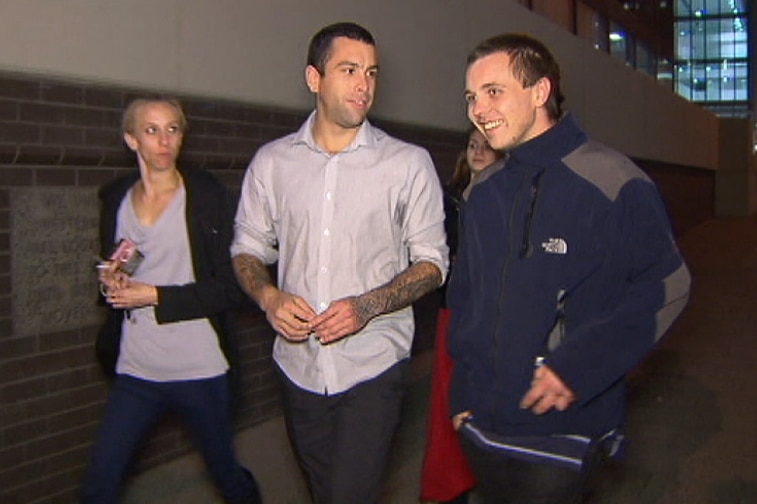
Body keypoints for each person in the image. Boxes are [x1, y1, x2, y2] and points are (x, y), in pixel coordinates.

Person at [447, 33, 691, 504]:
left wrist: (579, 365)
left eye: (493, 91)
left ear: (540, 92)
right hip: (483, 427)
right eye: (471, 97)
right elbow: (465, 304)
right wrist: (461, 399)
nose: (478, 108)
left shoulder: (612, 182)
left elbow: (668, 282)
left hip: (565, 427)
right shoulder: (482, 194)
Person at [230, 22, 448, 504]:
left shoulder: (407, 164)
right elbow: (246, 246)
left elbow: (433, 264)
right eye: (349, 70)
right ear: (314, 78)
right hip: (297, 367)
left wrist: (366, 306)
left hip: (373, 363)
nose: (364, 85)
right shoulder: (272, 163)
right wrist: (268, 296)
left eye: (371, 72)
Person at [81, 97, 261, 504]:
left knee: (227, 478)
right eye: (151, 130)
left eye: (173, 129)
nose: (164, 141)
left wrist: (156, 295)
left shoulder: (207, 199)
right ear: (131, 140)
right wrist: (113, 279)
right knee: (98, 485)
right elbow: (128, 255)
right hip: (137, 369)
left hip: (198, 369)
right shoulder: (116, 201)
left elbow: (231, 289)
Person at [419, 128, 503, 504]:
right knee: (448, 406)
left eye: (487, 146)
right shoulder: (449, 201)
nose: (479, 152)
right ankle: (450, 490)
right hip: (454, 314)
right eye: (473, 145)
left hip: (498, 320)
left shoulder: (511, 198)